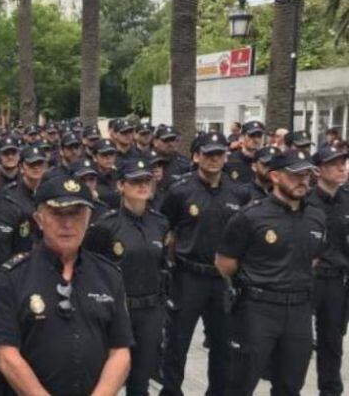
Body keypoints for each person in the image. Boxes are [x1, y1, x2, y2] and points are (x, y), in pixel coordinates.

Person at [0, 175, 133, 395]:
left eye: (76, 214)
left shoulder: (109, 274)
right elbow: (6, 355)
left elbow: (120, 351)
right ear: (39, 219)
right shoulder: (14, 276)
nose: (67, 224)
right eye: (57, 213)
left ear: (89, 218)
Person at [217, 149, 328, 395]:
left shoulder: (316, 217)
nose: (303, 181)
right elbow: (225, 263)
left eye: (307, 175)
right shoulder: (250, 216)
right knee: (240, 383)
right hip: (258, 310)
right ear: (276, 176)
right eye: (296, 175)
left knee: (290, 385)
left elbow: (314, 258)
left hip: (299, 310)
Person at [158, 132, 252, 396]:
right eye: (208, 154)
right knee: (177, 343)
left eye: (219, 154)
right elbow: (167, 232)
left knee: (223, 347)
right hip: (188, 277)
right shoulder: (179, 191)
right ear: (196, 156)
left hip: (222, 281)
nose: (214, 159)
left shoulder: (239, 193)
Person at [83, 159, 170, 396]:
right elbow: (91, 268)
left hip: (150, 310)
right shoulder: (106, 225)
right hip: (116, 311)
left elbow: (162, 264)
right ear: (121, 185)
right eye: (135, 181)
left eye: (146, 181)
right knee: (107, 378)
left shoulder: (160, 223)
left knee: (141, 380)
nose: (142, 186)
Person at [306, 144, 349, 396]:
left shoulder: (347, 201)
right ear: (319, 169)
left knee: (332, 342)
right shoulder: (305, 202)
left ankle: (330, 391)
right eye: (334, 163)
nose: (342, 167)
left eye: (343, 162)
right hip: (309, 278)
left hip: (337, 281)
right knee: (297, 341)